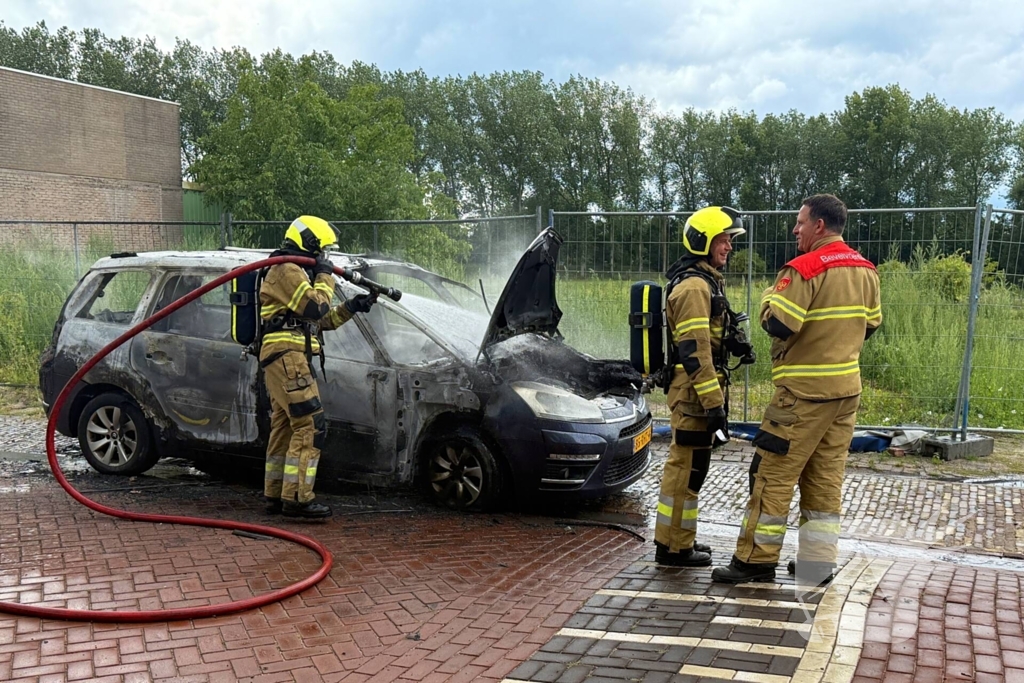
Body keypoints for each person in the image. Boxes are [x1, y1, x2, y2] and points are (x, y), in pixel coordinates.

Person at [711, 194, 881, 585]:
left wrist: (769, 298)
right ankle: (817, 564)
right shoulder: (866, 269)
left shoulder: (802, 269)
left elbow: (780, 325)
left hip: (801, 395)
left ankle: (755, 560)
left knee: (773, 474)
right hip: (845, 393)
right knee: (825, 477)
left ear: (819, 226)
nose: (795, 229)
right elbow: (869, 326)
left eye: (800, 222)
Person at [259, 215, 376, 519]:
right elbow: (315, 306)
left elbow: (318, 321)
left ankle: (275, 494)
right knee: (311, 425)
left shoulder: (293, 271)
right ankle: (298, 499)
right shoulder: (286, 270)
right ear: (309, 243)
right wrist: (326, 276)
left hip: (286, 358)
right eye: (322, 250)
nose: (324, 257)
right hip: (287, 357)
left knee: (287, 426)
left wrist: (351, 307)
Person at [655, 205, 752, 567]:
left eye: (729, 240)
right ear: (704, 241)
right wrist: (714, 405)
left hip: (698, 393)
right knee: (687, 469)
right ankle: (674, 549)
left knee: (692, 467)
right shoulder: (695, 286)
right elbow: (694, 352)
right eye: (723, 240)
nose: (728, 247)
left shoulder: (704, 280)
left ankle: (677, 541)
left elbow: (706, 340)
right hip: (695, 394)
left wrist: (732, 343)